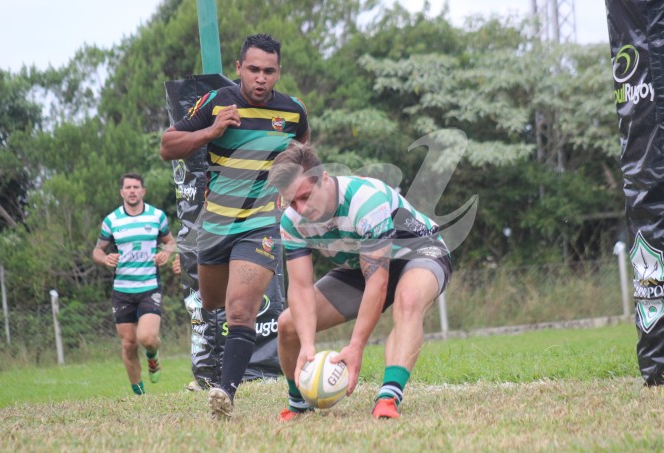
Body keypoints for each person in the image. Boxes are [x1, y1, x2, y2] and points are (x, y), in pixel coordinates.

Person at [160, 33, 309, 419]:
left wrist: (290, 194)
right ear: (239, 68)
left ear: (278, 73)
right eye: (254, 69)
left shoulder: (293, 112)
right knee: (213, 304)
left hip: (260, 224)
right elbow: (168, 146)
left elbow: (303, 156)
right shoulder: (217, 102)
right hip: (215, 225)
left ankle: (225, 393)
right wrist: (211, 132)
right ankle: (213, 358)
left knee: (241, 310)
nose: (261, 78)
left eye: (270, 71)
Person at [267, 141, 452, 420]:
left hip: (419, 252)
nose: (300, 208)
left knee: (408, 300)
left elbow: (377, 283)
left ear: (324, 178)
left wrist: (356, 347)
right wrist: (307, 344)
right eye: (291, 201)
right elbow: (301, 287)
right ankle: (299, 403)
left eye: (305, 196)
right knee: (288, 324)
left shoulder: (366, 202)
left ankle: (388, 398)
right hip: (359, 266)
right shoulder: (292, 221)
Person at [93, 173, 175, 395]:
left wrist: (166, 254)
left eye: (135, 187)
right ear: (121, 192)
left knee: (146, 338)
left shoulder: (157, 216)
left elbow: (170, 242)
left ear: (143, 191)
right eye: (127, 187)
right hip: (122, 291)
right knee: (129, 344)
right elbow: (97, 250)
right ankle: (140, 395)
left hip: (149, 287)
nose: (131, 191)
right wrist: (104, 258)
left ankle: (152, 355)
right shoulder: (112, 221)